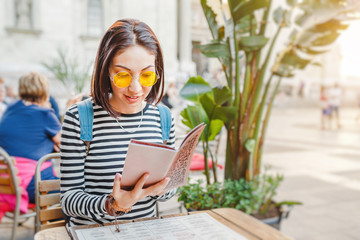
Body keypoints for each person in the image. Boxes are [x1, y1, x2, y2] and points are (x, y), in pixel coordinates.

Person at [60, 19, 176, 227]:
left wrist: (163, 189)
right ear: (106, 71)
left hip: (144, 232)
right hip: (93, 233)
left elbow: (171, 190)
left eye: (146, 76)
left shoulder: (163, 118)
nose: (135, 89)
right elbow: (68, 200)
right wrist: (111, 205)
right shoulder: (79, 118)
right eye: (123, 76)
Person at [0, 72, 61, 203]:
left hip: (6, 183)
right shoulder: (45, 114)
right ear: (45, 92)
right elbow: (66, 144)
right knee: (70, 194)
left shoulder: (10, 109)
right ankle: (53, 221)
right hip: (32, 184)